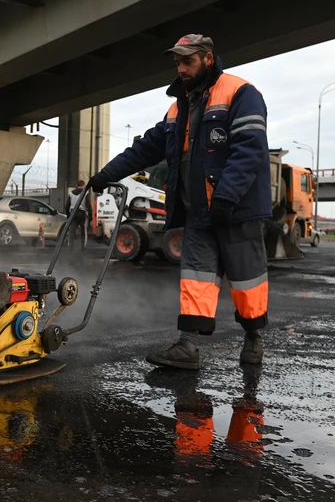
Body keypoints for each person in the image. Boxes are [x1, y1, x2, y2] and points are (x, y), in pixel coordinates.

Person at [89, 34, 270, 370]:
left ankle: (254, 338)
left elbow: (250, 151)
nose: (181, 68)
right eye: (177, 62)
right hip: (197, 212)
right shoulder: (179, 107)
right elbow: (145, 149)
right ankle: (188, 345)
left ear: (208, 58)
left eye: (187, 61)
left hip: (236, 211)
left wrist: (227, 196)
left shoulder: (240, 93)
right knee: (196, 280)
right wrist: (106, 174)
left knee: (247, 282)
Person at [66, 180, 91, 249]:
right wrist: (90, 217)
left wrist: (68, 215)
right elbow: (89, 205)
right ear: (83, 185)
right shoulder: (85, 193)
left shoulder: (71, 193)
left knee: (72, 231)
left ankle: (70, 246)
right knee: (83, 231)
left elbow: (67, 205)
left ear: (77, 185)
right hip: (82, 213)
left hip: (73, 213)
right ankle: (83, 246)